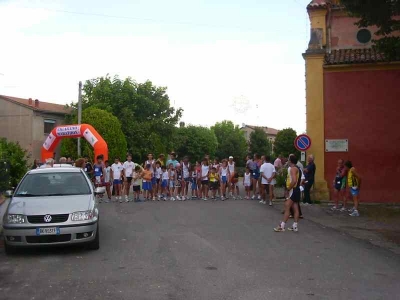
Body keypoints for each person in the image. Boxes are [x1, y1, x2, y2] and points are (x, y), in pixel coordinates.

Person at [274, 155, 302, 232]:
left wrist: (288, 189)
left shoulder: (293, 169)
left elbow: (294, 180)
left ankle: (282, 226)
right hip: (296, 189)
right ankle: (295, 226)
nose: (287, 161)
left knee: (287, 206)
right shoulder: (298, 168)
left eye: (288, 160)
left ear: (290, 161)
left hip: (293, 189)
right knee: (295, 207)